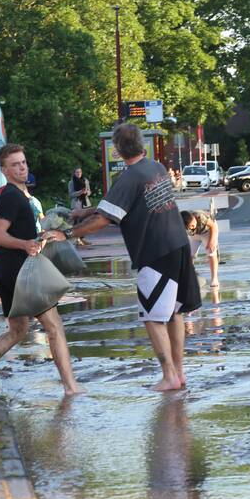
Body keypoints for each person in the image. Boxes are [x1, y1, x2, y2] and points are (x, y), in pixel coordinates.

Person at [52, 123, 201, 392]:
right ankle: (179, 373)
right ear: (141, 144)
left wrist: (68, 234)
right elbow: (121, 204)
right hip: (179, 244)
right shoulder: (155, 168)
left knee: (153, 317)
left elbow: (105, 219)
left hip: (155, 252)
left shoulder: (130, 177)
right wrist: (86, 212)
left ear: (118, 150)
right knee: (174, 313)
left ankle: (168, 376)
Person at [0, 144, 84, 396]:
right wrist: (25, 244)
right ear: (4, 170)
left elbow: (22, 231)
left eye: (24, 162)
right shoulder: (10, 195)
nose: (22, 167)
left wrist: (44, 235)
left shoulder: (24, 196)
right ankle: (71, 387)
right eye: (16, 164)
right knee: (54, 327)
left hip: (8, 269)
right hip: (20, 271)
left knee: (18, 330)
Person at [180, 210, 220, 288]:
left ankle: (214, 278)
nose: (192, 227)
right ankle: (189, 277)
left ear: (193, 218)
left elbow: (213, 227)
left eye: (192, 225)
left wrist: (211, 241)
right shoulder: (180, 222)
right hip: (194, 236)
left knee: (211, 253)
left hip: (208, 231)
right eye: (189, 227)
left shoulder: (200, 217)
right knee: (189, 255)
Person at [68, 166, 93, 247]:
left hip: (85, 203)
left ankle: (82, 238)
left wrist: (87, 192)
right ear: (74, 173)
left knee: (84, 222)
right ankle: (76, 239)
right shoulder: (71, 182)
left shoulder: (85, 180)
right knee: (76, 222)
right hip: (76, 203)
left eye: (80, 172)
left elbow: (89, 191)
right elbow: (71, 194)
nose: (79, 174)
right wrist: (80, 192)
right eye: (77, 172)